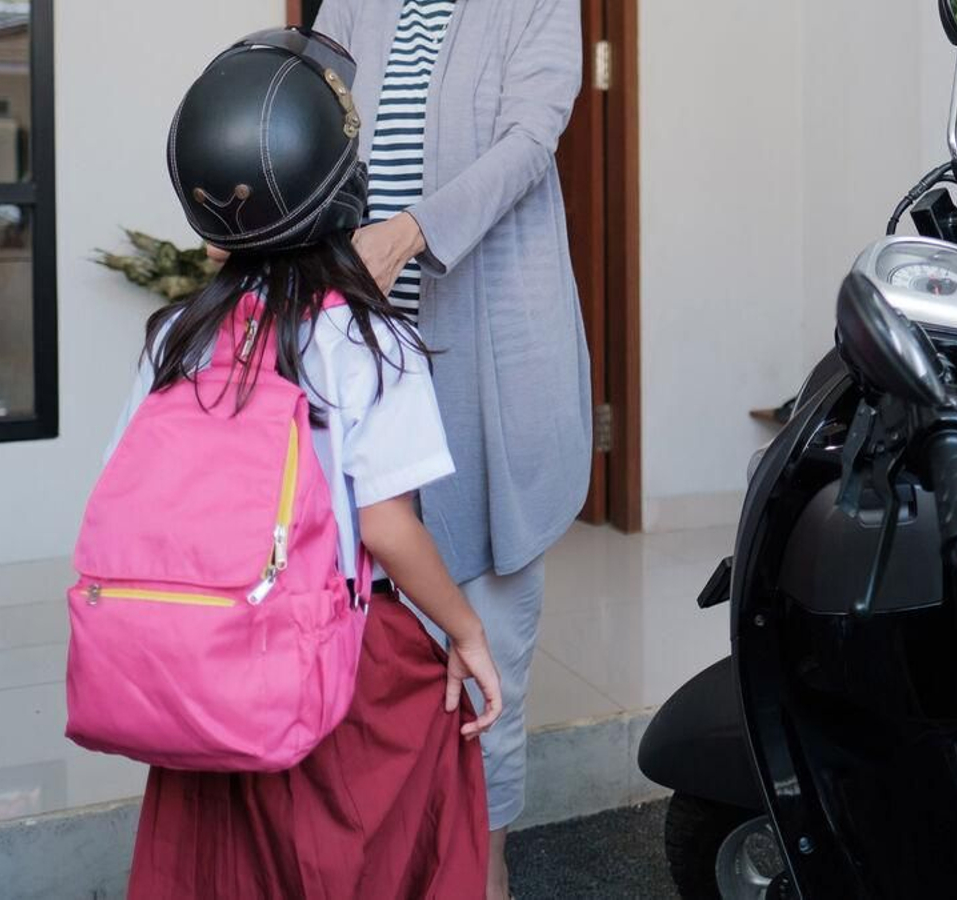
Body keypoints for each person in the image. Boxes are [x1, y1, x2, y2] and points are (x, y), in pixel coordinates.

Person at [120, 30, 502, 898]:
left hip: (208, 652)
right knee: (394, 812)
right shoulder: (367, 337)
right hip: (337, 656)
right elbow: (386, 526)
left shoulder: (174, 337)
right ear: (342, 191)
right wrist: (466, 632)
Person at [312, 3, 592, 896]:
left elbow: (529, 139)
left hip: (492, 364)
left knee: (487, 649)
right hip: (364, 362)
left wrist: (411, 230)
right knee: (357, 641)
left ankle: (483, 866)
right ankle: (386, 856)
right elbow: (315, 119)